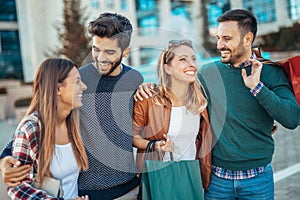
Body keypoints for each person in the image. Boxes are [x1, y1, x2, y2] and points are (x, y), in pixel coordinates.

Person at [134, 9, 300, 200]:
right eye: (219, 37)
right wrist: (150, 87)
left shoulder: (271, 73)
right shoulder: (208, 72)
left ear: (247, 39)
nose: (220, 45)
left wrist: (257, 88)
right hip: (216, 181)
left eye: (227, 38)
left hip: (258, 180)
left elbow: (292, 119)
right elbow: (176, 88)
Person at [0, 13, 144, 199]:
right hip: (87, 192)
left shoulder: (136, 79)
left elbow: (138, 126)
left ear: (125, 52)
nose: (100, 58)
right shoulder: (77, 79)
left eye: (109, 52)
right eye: (96, 49)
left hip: (130, 187)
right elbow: (36, 122)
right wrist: (4, 161)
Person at [132, 39, 212, 192]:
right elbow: (132, 137)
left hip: (191, 178)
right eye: (183, 59)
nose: (192, 64)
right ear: (167, 68)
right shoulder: (148, 100)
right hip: (160, 178)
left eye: (193, 59)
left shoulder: (199, 102)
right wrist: (154, 146)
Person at [5, 58, 89, 199]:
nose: (84, 86)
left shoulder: (75, 123)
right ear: (57, 89)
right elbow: (17, 187)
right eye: (77, 81)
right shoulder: (31, 128)